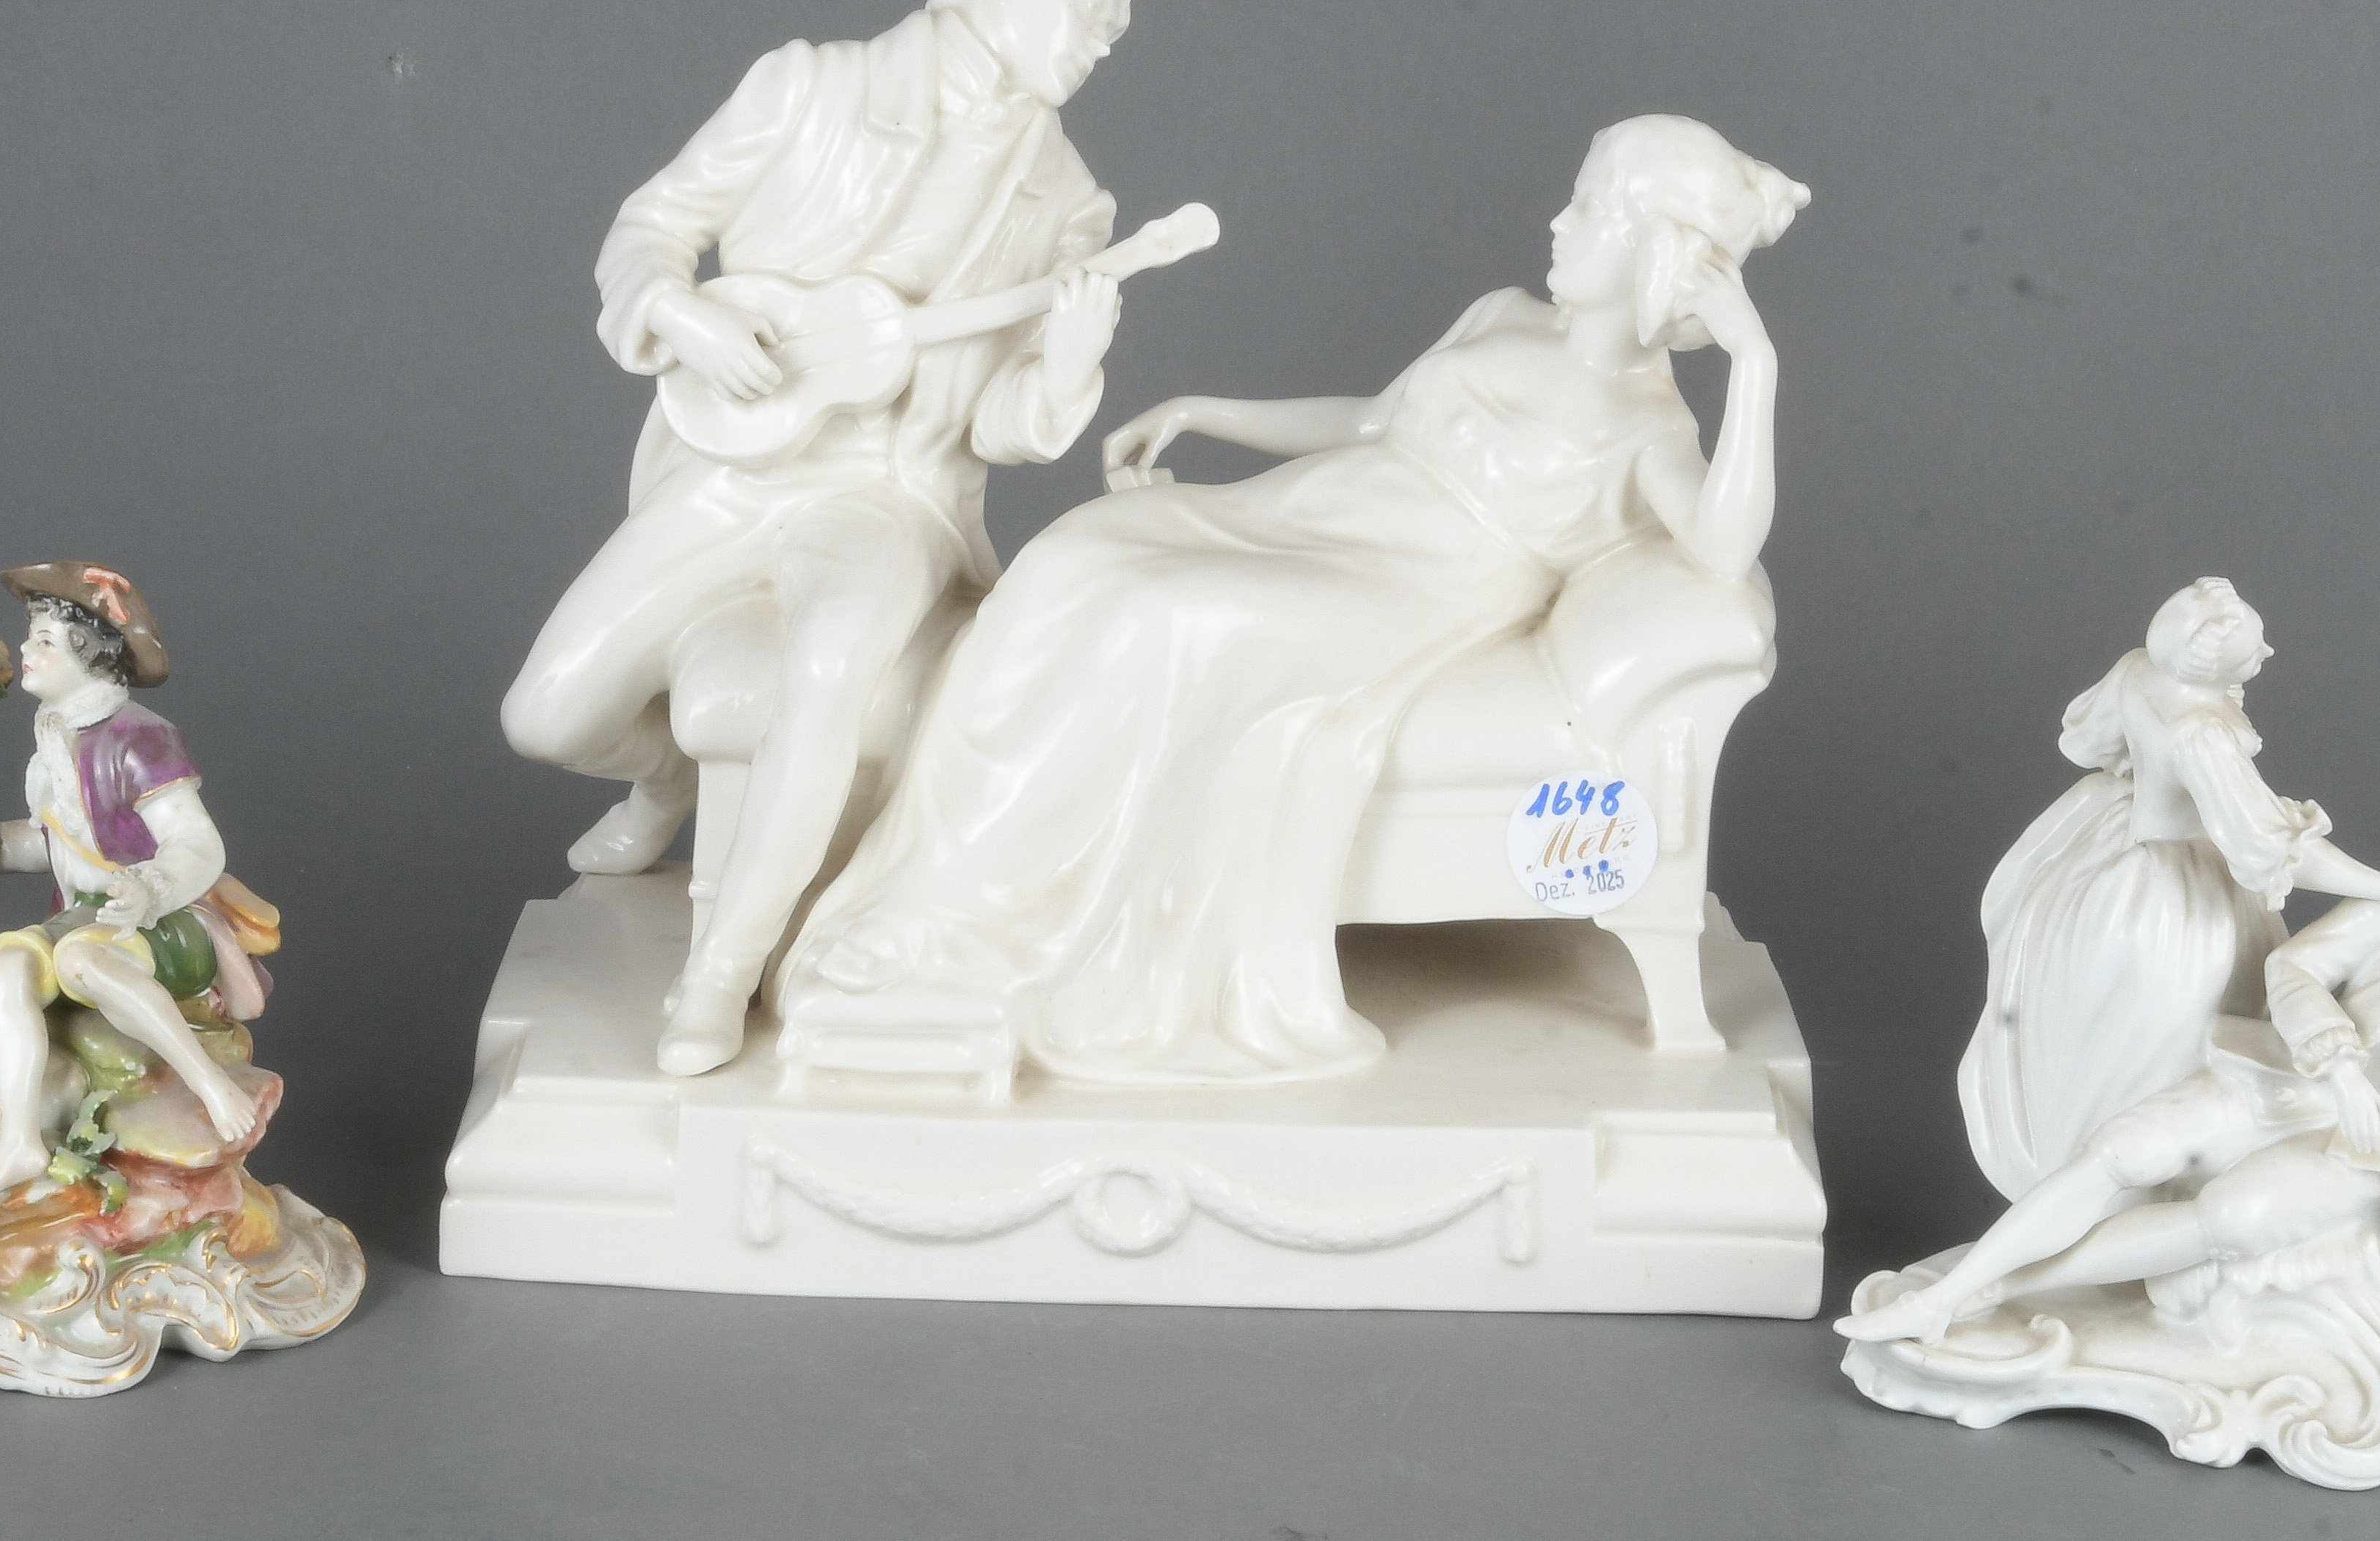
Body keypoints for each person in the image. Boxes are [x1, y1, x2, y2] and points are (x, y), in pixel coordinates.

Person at [769, 115, 1803, 1086]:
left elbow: (1723, 545)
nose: (1559, 223)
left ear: (1655, 254)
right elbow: (1371, 424)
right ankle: (932, 892)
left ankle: (970, 933)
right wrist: (1202, 411)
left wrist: (1753, 362)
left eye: (1589, 210)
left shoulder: (1649, 429)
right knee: (1074, 558)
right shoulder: (1502, 316)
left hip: (1408, 584)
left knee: (1168, 617)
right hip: (1311, 511)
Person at [498, 0, 1140, 1076]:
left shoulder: (1070, 201)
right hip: (738, 463)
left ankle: (722, 972)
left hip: (895, 494)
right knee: (544, 716)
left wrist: (1067, 367)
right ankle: (665, 777)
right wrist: (680, 312)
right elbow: (652, 226)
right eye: (1093, 10)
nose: (1105, 40)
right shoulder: (808, 86)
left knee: (829, 669)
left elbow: (1002, 426)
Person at [1843, 811, 2380, 1346]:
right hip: (2285, 1079)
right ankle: (1951, 1292)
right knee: (2127, 1148)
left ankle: (2005, 1286)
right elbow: (2296, 967)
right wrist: (2337, 1055)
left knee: (2238, 1218)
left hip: (2369, 1147)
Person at [1954, 579, 2380, 1199]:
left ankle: (2079, 1196)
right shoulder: (2203, 733)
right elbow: (2275, 849)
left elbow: (2088, 742)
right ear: (2213, 662)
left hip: (2112, 873)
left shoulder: (2140, 671)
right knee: (2172, 1055)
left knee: (2093, 1044)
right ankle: (2123, 1202)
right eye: (2254, 647)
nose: (2268, 653)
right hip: (2174, 908)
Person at [0, 562, 281, 1201]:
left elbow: (197, 845)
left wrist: (151, 887)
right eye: (30, 637)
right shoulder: (54, 737)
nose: (26, 651)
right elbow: (59, 840)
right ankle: (19, 1142)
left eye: (44, 641)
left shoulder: (140, 739)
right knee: (1, 970)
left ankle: (210, 1083)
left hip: (165, 919)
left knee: (83, 959)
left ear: (89, 655)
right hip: (87, 915)